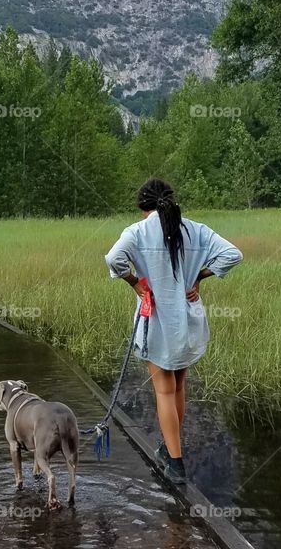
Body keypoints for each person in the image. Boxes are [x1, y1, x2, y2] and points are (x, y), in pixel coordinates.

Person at [104, 177, 243, 482]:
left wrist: (135, 283)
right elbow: (233, 254)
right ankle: (171, 449)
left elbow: (114, 258)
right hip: (188, 322)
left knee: (164, 391)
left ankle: (175, 463)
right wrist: (198, 279)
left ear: (144, 207)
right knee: (179, 387)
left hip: (158, 322)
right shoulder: (194, 228)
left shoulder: (138, 231)